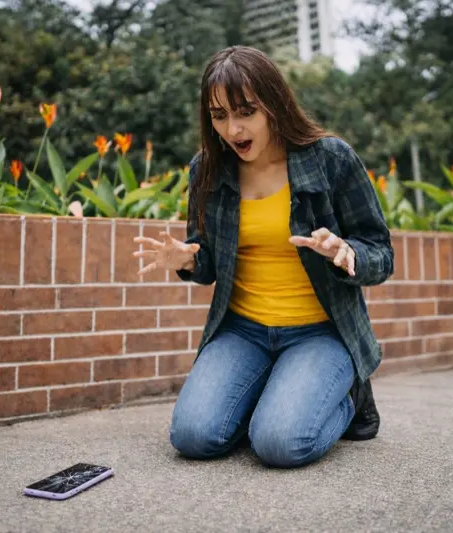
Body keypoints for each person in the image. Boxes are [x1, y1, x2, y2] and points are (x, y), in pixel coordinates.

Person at [132, 46, 394, 469]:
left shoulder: (330, 159)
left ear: (273, 104)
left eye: (245, 111)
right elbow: (208, 263)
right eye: (219, 116)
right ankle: (272, 395)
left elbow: (381, 252)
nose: (233, 129)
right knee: (193, 436)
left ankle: (348, 398)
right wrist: (186, 260)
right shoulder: (208, 169)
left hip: (321, 333)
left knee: (279, 444)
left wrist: (347, 254)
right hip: (243, 331)